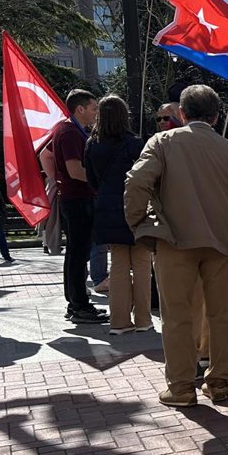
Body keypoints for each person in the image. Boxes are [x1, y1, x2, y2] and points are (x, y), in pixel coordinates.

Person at [124, 84, 228, 406]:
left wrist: (140, 224)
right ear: (215, 116)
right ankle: (219, 382)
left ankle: (182, 387)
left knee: (177, 316)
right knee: (222, 314)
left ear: (181, 113)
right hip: (223, 244)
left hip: (175, 241)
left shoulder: (162, 142)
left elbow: (136, 182)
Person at [84, 95, 150, 334]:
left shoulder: (92, 143)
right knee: (142, 264)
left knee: (119, 265)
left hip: (105, 208)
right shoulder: (134, 143)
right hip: (134, 207)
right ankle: (143, 319)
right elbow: (146, 177)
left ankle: (119, 321)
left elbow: (91, 179)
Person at [50, 88, 107, 323]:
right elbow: (74, 170)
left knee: (76, 253)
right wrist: (100, 179)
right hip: (78, 200)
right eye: (94, 108)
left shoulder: (69, 129)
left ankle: (76, 302)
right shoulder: (70, 132)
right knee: (78, 253)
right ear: (80, 109)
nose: (96, 113)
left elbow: (47, 155)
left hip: (76, 199)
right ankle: (79, 304)